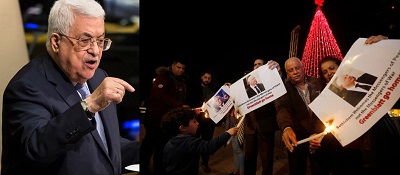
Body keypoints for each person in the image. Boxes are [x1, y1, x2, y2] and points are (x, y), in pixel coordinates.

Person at [1, 0, 140, 174]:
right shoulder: (26, 87)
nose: (96, 51)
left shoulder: (98, 77)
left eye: (100, 41)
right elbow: (37, 148)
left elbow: (103, 147)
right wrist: (88, 106)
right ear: (56, 42)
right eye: (85, 40)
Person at [275, 57, 335, 175]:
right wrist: (286, 127)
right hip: (297, 138)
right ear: (287, 73)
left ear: (303, 68)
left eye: (297, 68)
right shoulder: (283, 89)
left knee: (321, 169)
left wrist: (318, 132)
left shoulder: (318, 82)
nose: (295, 72)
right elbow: (282, 108)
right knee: (297, 169)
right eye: (291, 70)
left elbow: (325, 108)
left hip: (319, 136)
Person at [140, 58, 190, 174]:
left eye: (183, 68)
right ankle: (143, 166)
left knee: (161, 146)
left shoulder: (181, 80)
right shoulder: (163, 77)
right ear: (172, 66)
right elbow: (160, 96)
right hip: (155, 119)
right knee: (150, 143)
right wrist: (180, 105)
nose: (181, 70)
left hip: (167, 120)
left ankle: (159, 168)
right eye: (178, 67)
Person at [161, 107, 239, 175]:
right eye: (194, 121)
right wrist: (227, 133)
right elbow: (209, 147)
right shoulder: (190, 143)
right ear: (183, 128)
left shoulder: (170, 142)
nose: (198, 123)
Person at [244, 58, 281, 175]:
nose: (257, 66)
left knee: (267, 160)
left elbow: (279, 86)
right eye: (255, 64)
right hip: (250, 127)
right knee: (249, 159)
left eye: (260, 64)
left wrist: (277, 72)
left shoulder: (267, 82)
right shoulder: (244, 88)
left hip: (266, 126)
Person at [186, 70, 218, 173]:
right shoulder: (194, 89)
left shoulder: (214, 89)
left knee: (207, 142)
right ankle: (192, 163)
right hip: (197, 120)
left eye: (209, 78)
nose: (207, 80)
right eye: (205, 77)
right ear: (201, 77)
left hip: (209, 122)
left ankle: (205, 163)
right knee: (194, 142)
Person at [225, 108, 244, 175]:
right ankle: (236, 169)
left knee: (239, 151)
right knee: (235, 151)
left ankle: (241, 171)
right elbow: (228, 122)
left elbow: (240, 122)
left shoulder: (239, 109)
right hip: (231, 133)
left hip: (237, 133)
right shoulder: (229, 111)